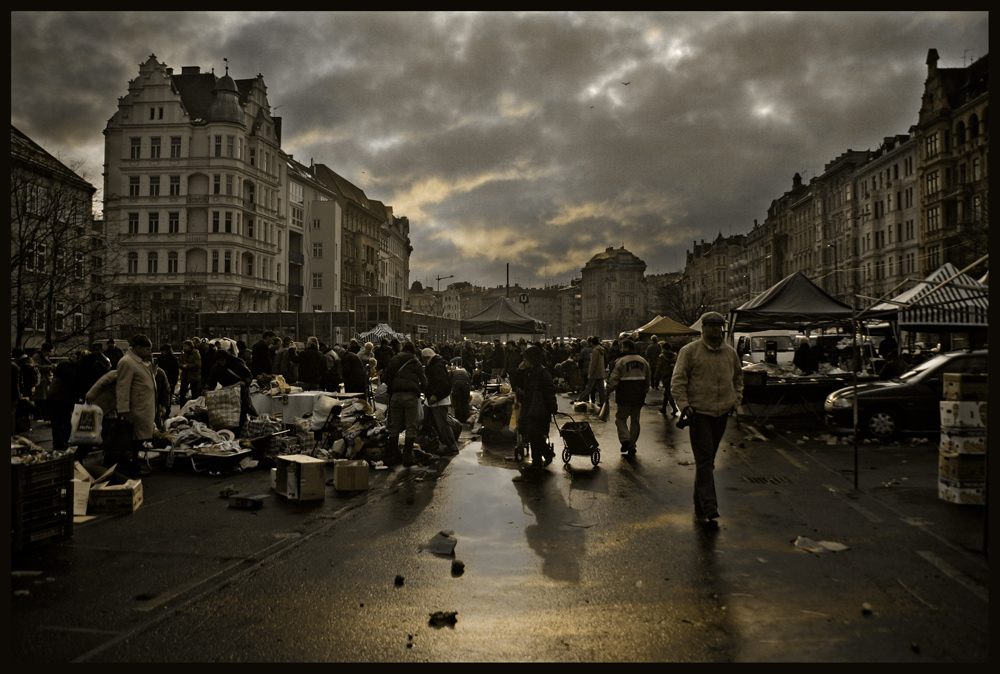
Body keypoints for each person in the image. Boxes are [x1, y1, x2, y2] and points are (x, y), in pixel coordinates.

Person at [671, 311, 743, 525]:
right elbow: (678, 381)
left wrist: (735, 401)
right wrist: (684, 405)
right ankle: (710, 506)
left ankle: (699, 501)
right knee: (704, 460)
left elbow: (738, 378)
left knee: (708, 460)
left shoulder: (730, 353)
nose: (714, 329)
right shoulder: (690, 351)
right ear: (702, 328)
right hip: (699, 413)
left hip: (721, 413)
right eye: (710, 325)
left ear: (722, 328)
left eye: (718, 326)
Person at [115, 334, 158, 476]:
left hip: (144, 406)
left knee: (139, 439)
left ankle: (135, 466)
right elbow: (122, 388)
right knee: (134, 439)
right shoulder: (127, 362)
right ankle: (133, 468)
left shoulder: (140, 361)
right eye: (147, 349)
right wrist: (123, 410)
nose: (149, 352)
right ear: (138, 348)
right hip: (136, 408)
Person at [511, 344, 557, 469]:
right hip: (530, 407)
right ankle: (538, 461)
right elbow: (517, 384)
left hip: (539, 410)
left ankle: (545, 456)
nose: (523, 361)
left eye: (525, 359)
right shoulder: (529, 372)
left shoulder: (542, 372)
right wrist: (519, 371)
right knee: (532, 435)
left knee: (535, 434)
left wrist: (552, 407)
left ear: (532, 359)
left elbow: (549, 391)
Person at [382, 342, 427, 467]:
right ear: (413, 351)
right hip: (410, 396)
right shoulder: (415, 362)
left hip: (395, 396)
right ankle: (407, 457)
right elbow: (424, 381)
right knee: (410, 426)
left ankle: (393, 455)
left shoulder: (394, 359)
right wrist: (420, 391)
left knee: (394, 426)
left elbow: (384, 377)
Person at [606, 339, 652, 455]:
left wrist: (608, 391)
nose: (621, 349)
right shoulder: (643, 361)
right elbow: (648, 379)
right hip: (639, 394)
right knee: (635, 421)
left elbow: (614, 379)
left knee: (621, 418)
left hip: (624, 394)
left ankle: (625, 439)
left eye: (622, 347)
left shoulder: (621, 361)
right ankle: (632, 446)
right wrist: (645, 391)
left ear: (626, 348)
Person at [201, 349, 255, 431]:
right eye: (218, 361)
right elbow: (211, 381)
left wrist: (244, 383)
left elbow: (249, 375)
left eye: (222, 360)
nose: (220, 362)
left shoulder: (237, 364)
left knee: (242, 411)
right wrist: (206, 389)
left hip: (240, 391)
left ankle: (242, 429)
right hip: (227, 392)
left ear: (227, 358)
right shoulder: (216, 368)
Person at [421, 348, 460, 455]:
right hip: (432, 400)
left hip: (437, 400)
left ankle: (452, 447)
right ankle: (432, 444)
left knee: (442, 425)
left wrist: (436, 395)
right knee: (428, 422)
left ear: (426, 357)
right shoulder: (436, 364)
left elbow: (442, 383)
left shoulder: (436, 366)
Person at [47, 351, 83, 453]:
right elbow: (72, 380)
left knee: (64, 419)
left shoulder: (67, 364)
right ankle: (59, 442)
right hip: (59, 397)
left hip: (62, 397)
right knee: (59, 420)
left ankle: (63, 440)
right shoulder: (66, 365)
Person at [576, 336, 608, 407]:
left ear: (591, 343)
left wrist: (590, 373)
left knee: (588, 387)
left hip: (595, 373)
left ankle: (581, 399)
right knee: (601, 388)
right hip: (600, 372)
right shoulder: (601, 350)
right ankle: (604, 401)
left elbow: (593, 363)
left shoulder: (595, 351)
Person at [655, 343, 679, 415]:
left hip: (665, 375)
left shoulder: (661, 356)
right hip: (672, 374)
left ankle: (674, 408)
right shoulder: (674, 355)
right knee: (666, 392)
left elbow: (659, 367)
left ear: (663, 348)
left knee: (668, 392)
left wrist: (656, 376)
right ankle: (663, 408)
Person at [177, 340, 202, 406]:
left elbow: (197, 365)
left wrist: (187, 366)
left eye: (185, 346)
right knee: (182, 393)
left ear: (190, 346)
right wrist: (182, 366)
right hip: (185, 376)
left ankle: (193, 408)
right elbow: (180, 363)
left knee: (194, 394)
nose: (184, 348)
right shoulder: (183, 354)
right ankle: (182, 408)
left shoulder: (196, 354)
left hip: (194, 376)